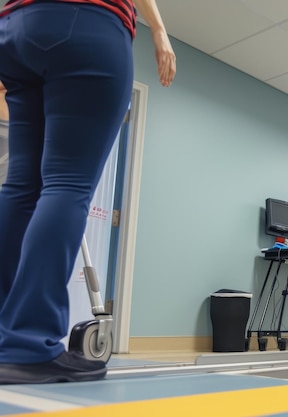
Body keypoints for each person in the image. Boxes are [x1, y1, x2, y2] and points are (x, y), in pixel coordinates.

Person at [0, 0, 175, 384]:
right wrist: (159, 30)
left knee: (21, 186)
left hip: (14, 27)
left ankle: (7, 338)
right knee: (66, 182)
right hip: (86, 22)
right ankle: (27, 344)